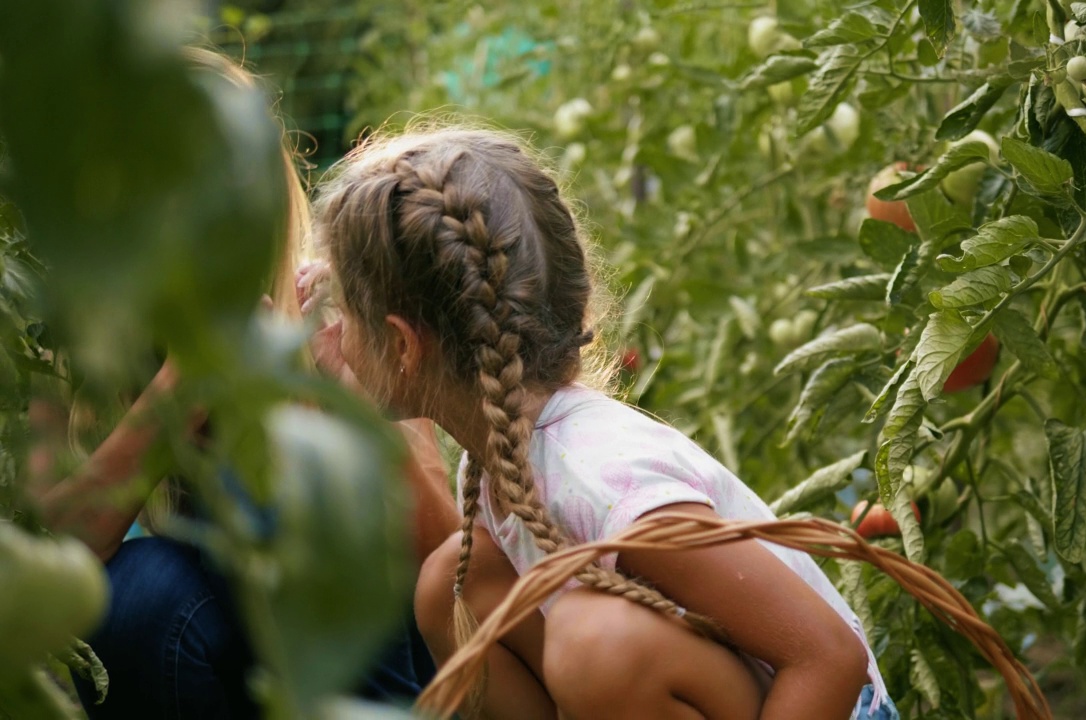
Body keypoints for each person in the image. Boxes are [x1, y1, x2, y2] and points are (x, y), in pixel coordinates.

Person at [308, 126, 897, 719]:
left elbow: (827, 659)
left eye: (341, 313)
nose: (329, 332)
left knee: (596, 642)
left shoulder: (603, 478)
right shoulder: (509, 451)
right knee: (452, 584)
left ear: (404, 347)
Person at [26, 48, 456, 719]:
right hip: (197, 660)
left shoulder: (333, 313)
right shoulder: (65, 348)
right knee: (143, 591)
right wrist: (180, 394)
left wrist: (356, 407)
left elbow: (447, 571)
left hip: (371, 682)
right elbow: (44, 568)